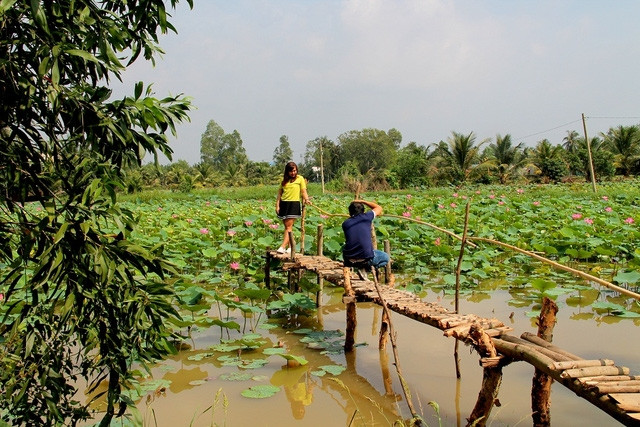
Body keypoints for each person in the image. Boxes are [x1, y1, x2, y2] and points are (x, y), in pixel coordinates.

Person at [342, 199, 390, 276]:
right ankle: (367, 269)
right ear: (363, 211)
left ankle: (361, 268)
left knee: (346, 245)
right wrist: (363, 201)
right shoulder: (367, 217)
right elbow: (379, 208)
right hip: (366, 259)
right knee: (386, 257)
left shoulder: (345, 223)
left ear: (350, 212)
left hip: (349, 260)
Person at [276, 161, 310, 254]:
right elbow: (280, 193)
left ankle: (283, 246)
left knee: (288, 226)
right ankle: (291, 247)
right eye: (291, 171)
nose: (293, 173)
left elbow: (303, 191)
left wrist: (306, 199)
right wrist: (277, 205)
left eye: (295, 171)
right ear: (287, 172)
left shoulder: (300, 179)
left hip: (293, 204)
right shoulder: (284, 181)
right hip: (284, 204)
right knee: (287, 227)